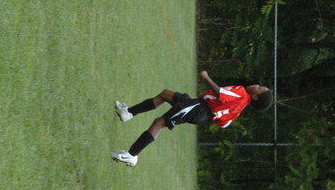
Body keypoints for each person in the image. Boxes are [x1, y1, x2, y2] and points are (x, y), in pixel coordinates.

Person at [110, 70, 273, 166]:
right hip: (199, 107)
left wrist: (206, 77)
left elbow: (221, 94)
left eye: (259, 88)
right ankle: (128, 113)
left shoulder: (242, 93)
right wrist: (214, 115)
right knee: (166, 94)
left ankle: (132, 154)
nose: (256, 85)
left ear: (255, 97)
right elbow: (224, 124)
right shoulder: (240, 107)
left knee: (159, 123)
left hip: (199, 108)